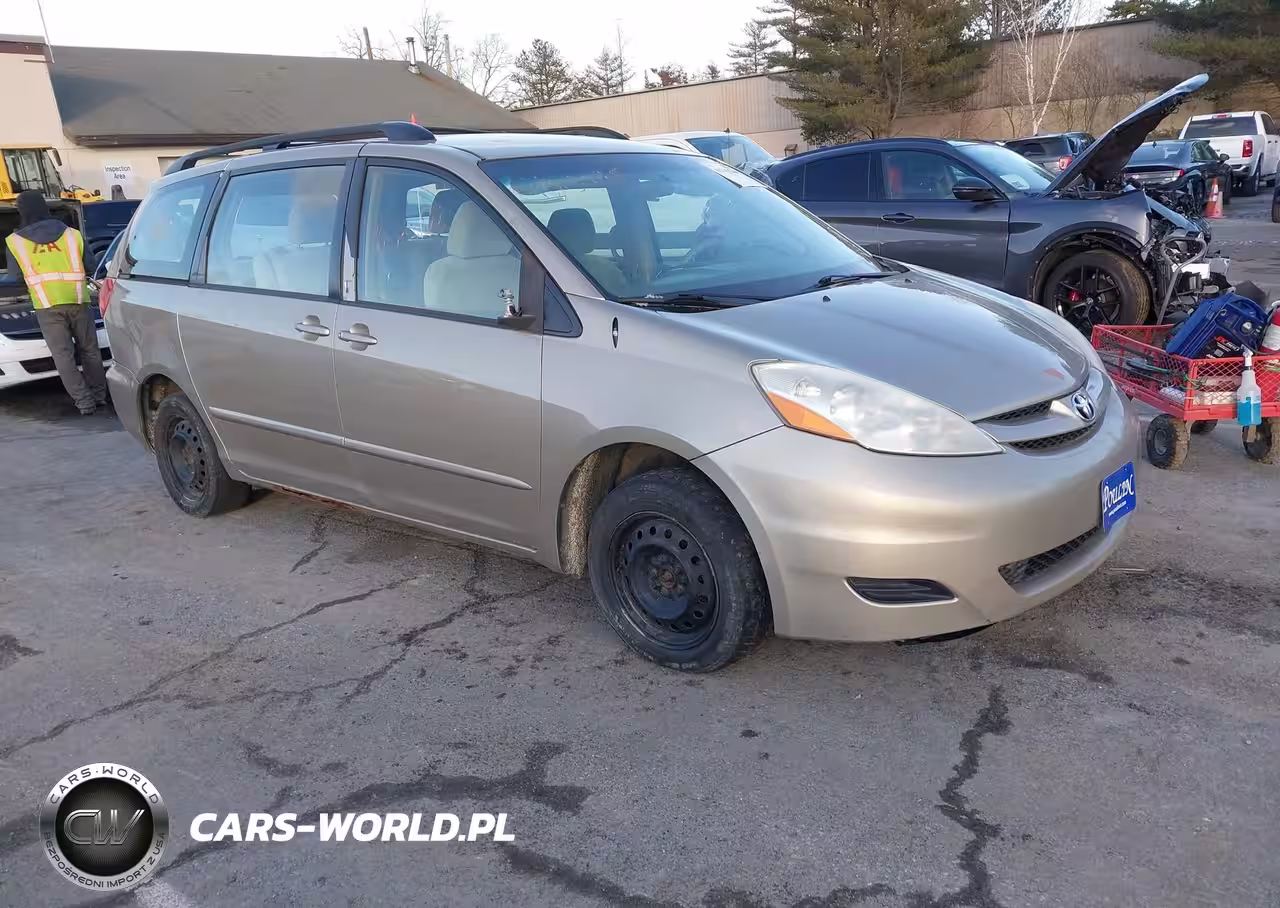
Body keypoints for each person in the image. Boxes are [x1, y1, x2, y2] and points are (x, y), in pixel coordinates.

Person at [3, 190, 106, 414]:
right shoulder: (72, 234)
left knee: (63, 356)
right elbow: (90, 266)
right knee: (89, 351)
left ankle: (84, 403)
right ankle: (99, 396)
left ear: (22, 211)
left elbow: (16, 278)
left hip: (47, 305)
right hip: (78, 299)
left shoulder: (14, 241)